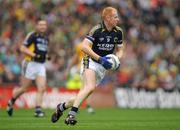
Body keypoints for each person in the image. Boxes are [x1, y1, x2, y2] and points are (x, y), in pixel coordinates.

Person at [51, 6, 124, 125]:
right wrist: (100, 59)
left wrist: (117, 60)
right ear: (107, 18)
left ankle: (61, 107)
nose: (118, 19)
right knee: (90, 87)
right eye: (115, 17)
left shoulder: (118, 32)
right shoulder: (96, 30)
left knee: (82, 95)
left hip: (102, 67)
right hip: (90, 61)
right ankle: (71, 115)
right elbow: (84, 46)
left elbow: (121, 49)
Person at [7, 19, 50, 117]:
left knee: (42, 87)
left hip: (41, 65)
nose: (42, 26)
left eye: (44, 24)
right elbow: (22, 48)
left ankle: (38, 110)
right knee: (24, 88)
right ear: (37, 26)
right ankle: (11, 101)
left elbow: (43, 51)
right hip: (30, 63)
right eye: (40, 24)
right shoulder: (32, 35)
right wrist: (34, 55)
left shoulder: (46, 38)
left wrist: (46, 56)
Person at [64, 42, 95, 114]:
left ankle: (75, 106)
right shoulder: (80, 46)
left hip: (89, 68)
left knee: (86, 89)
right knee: (88, 88)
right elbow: (75, 57)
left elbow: (75, 58)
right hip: (83, 67)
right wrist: (68, 69)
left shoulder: (94, 44)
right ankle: (85, 106)